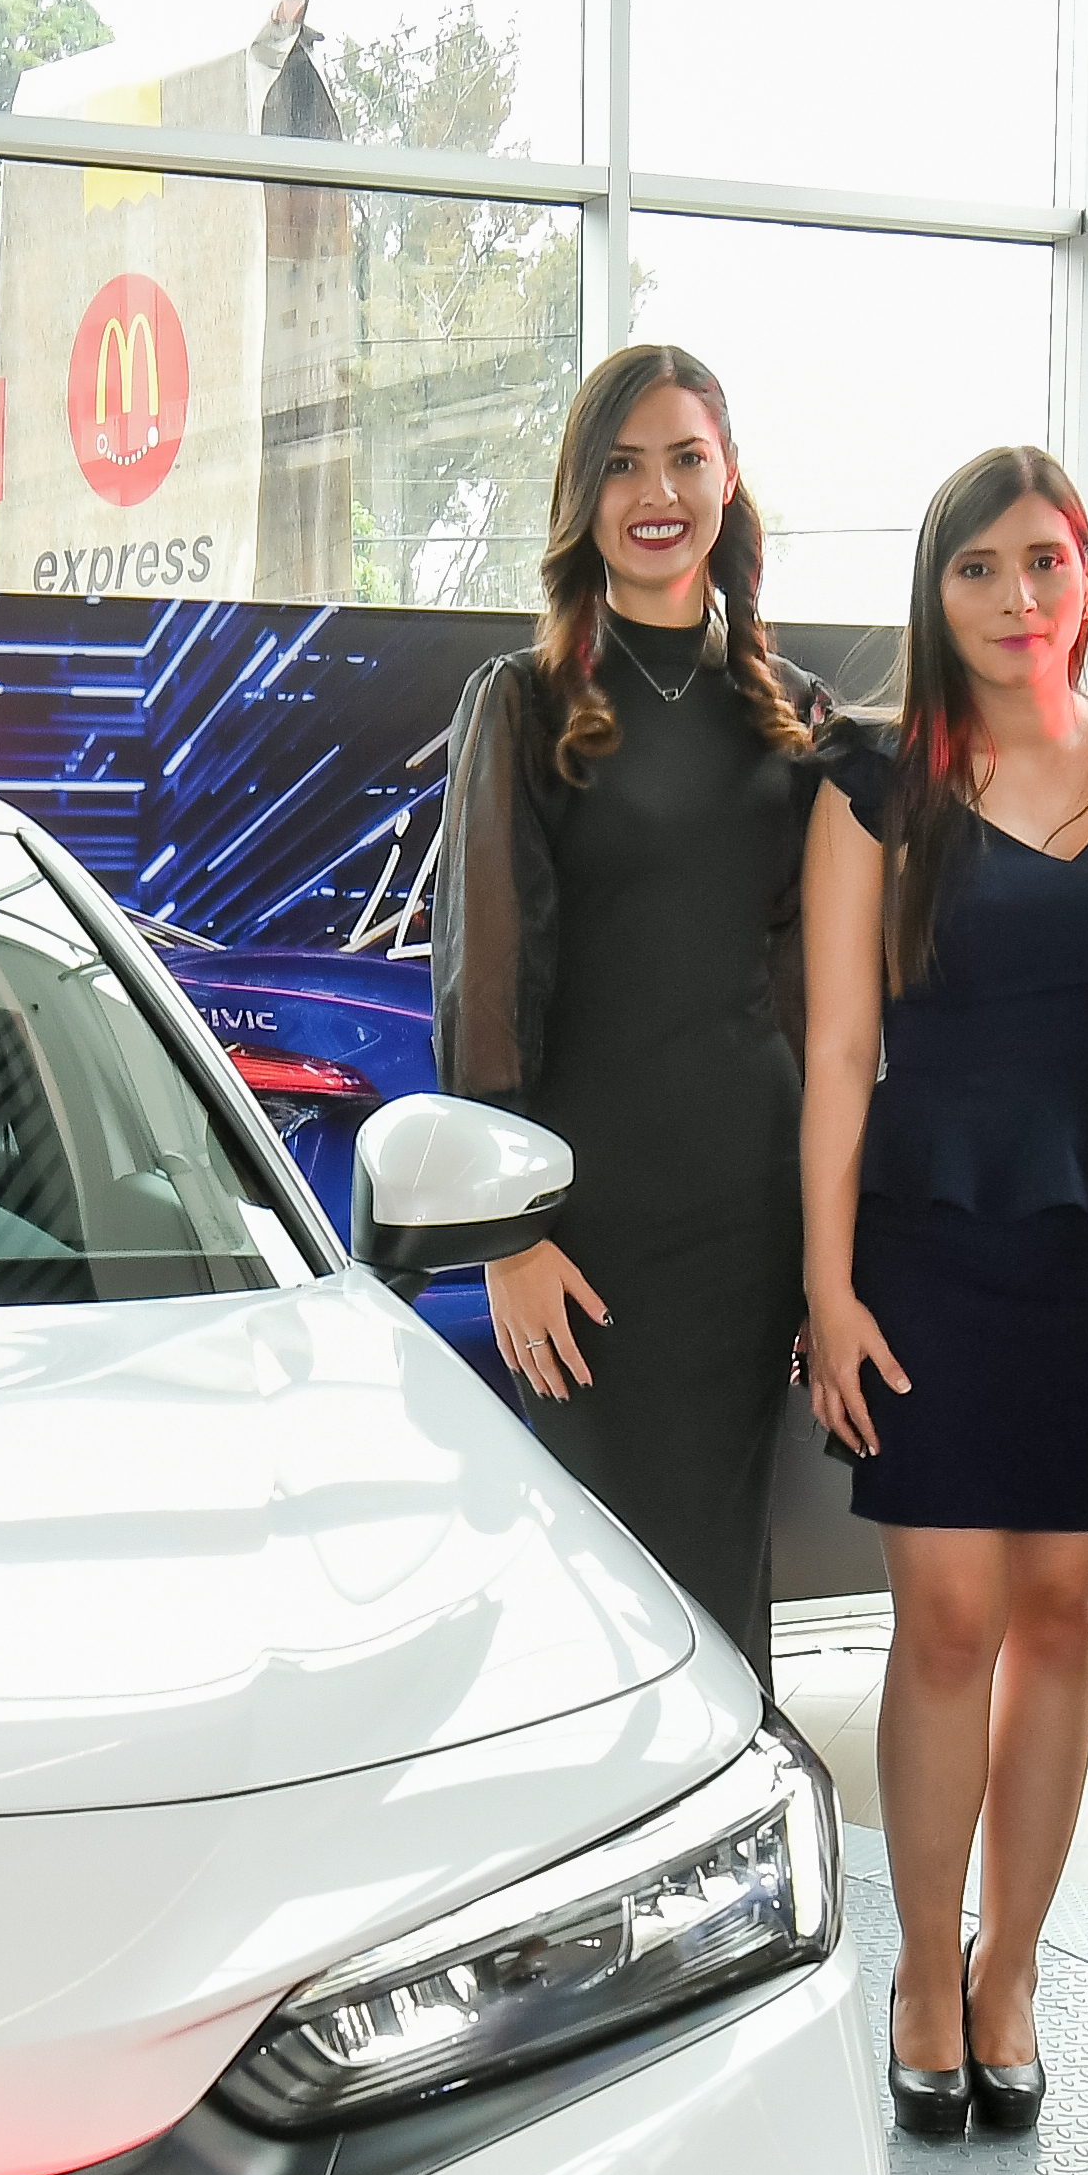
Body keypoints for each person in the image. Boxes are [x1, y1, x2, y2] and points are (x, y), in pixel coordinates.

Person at [801, 448, 1088, 2136]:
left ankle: (1013, 1972)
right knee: (949, 1625)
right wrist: (824, 1290)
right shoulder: (875, 782)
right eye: (976, 569)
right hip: (925, 1240)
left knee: (1066, 1624)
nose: (1013, 599)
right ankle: (921, 1969)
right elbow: (837, 1050)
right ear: (936, 590)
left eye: (1043, 564)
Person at [430, 342, 844, 1668]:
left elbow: (816, 1011)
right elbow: (484, 985)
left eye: (682, 457)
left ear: (728, 480)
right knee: (602, 1593)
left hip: (748, 1220)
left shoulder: (794, 718)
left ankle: (728, 1854)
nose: (653, 491)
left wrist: (825, 1259)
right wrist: (506, 1237)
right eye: (620, 465)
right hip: (586, 1233)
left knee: (723, 1579)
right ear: (581, 496)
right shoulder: (523, 701)